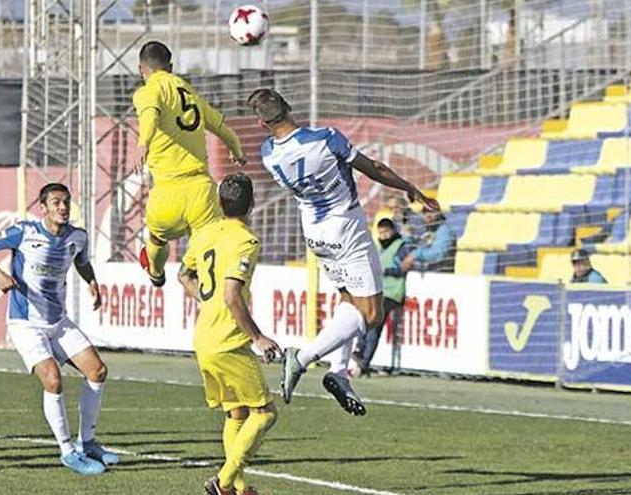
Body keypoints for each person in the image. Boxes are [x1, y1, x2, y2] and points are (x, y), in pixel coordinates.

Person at [247, 87, 440, 415]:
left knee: (349, 300)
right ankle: (303, 358)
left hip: (316, 234)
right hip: (347, 228)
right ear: (290, 106)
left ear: (263, 124)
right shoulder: (326, 138)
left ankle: (339, 373)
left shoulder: (268, 154)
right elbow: (374, 168)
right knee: (371, 314)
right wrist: (410, 188)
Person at [0, 183, 117, 475]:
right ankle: (67, 451)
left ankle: (87, 442)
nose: (63, 208)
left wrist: (92, 282)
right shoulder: (24, 232)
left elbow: (82, 262)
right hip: (25, 323)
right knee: (52, 379)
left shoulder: (78, 236)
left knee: (97, 371)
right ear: (43, 208)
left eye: (66, 202)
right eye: (56, 203)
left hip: (58, 321)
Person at [178, 174, 281, 495]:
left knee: (236, 412)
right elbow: (232, 296)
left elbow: (183, 276)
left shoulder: (205, 233)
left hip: (204, 337)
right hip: (229, 341)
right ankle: (223, 483)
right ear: (251, 204)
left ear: (220, 203)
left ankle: (237, 488)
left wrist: (206, 302)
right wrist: (258, 337)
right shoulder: (246, 241)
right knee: (264, 414)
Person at [133, 40, 247, 287]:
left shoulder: (148, 91)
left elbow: (150, 113)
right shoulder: (190, 93)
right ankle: (194, 276)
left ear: (142, 69)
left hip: (167, 194)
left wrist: (143, 143)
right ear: (171, 67)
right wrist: (236, 149)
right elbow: (220, 126)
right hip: (201, 192)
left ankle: (155, 270)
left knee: (156, 238)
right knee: (207, 251)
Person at [352, 218, 414, 377]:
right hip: (380, 292)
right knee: (364, 317)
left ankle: (364, 363)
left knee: (374, 325)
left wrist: (384, 270)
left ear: (393, 230)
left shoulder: (400, 247)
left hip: (393, 293)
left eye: (386, 232)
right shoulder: (381, 248)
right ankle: (359, 352)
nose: (383, 236)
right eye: (381, 233)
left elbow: (403, 269)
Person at [401, 208, 456, 273]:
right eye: (424, 212)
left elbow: (437, 254)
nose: (428, 215)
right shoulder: (426, 229)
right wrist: (408, 238)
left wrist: (415, 255)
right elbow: (410, 254)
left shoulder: (445, 230)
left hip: (440, 277)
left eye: (432, 211)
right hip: (422, 276)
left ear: (440, 212)